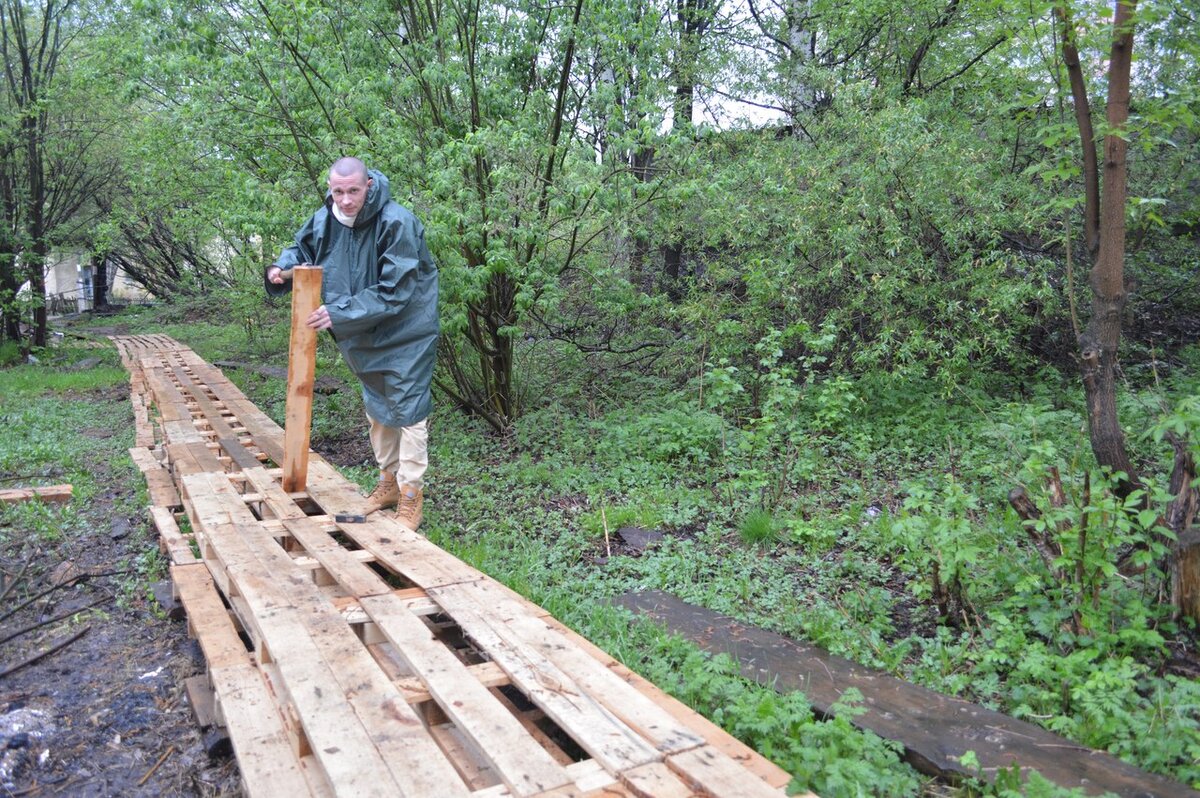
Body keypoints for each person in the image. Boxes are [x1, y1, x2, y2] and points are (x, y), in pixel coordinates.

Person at [265, 157, 438, 530]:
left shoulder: (397, 222)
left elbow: (397, 290)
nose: (344, 200)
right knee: (377, 408)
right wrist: (281, 268)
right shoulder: (326, 218)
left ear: (368, 186)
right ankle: (388, 482)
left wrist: (340, 311)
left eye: (353, 191)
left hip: (407, 329)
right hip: (361, 332)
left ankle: (411, 495)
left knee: (409, 409)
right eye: (337, 191)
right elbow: (302, 248)